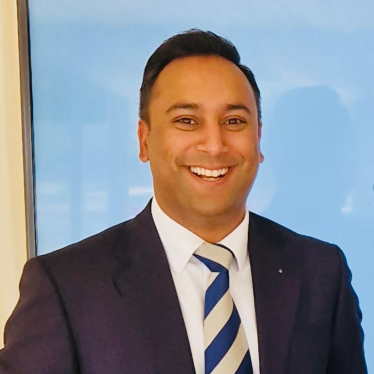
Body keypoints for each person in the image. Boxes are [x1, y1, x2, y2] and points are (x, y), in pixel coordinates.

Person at [0, 30, 367, 374]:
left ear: (258, 140)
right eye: (187, 120)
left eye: (234, 120)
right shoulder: (67, 286)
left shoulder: (321, 273)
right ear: (144, 140)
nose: (214, 144)